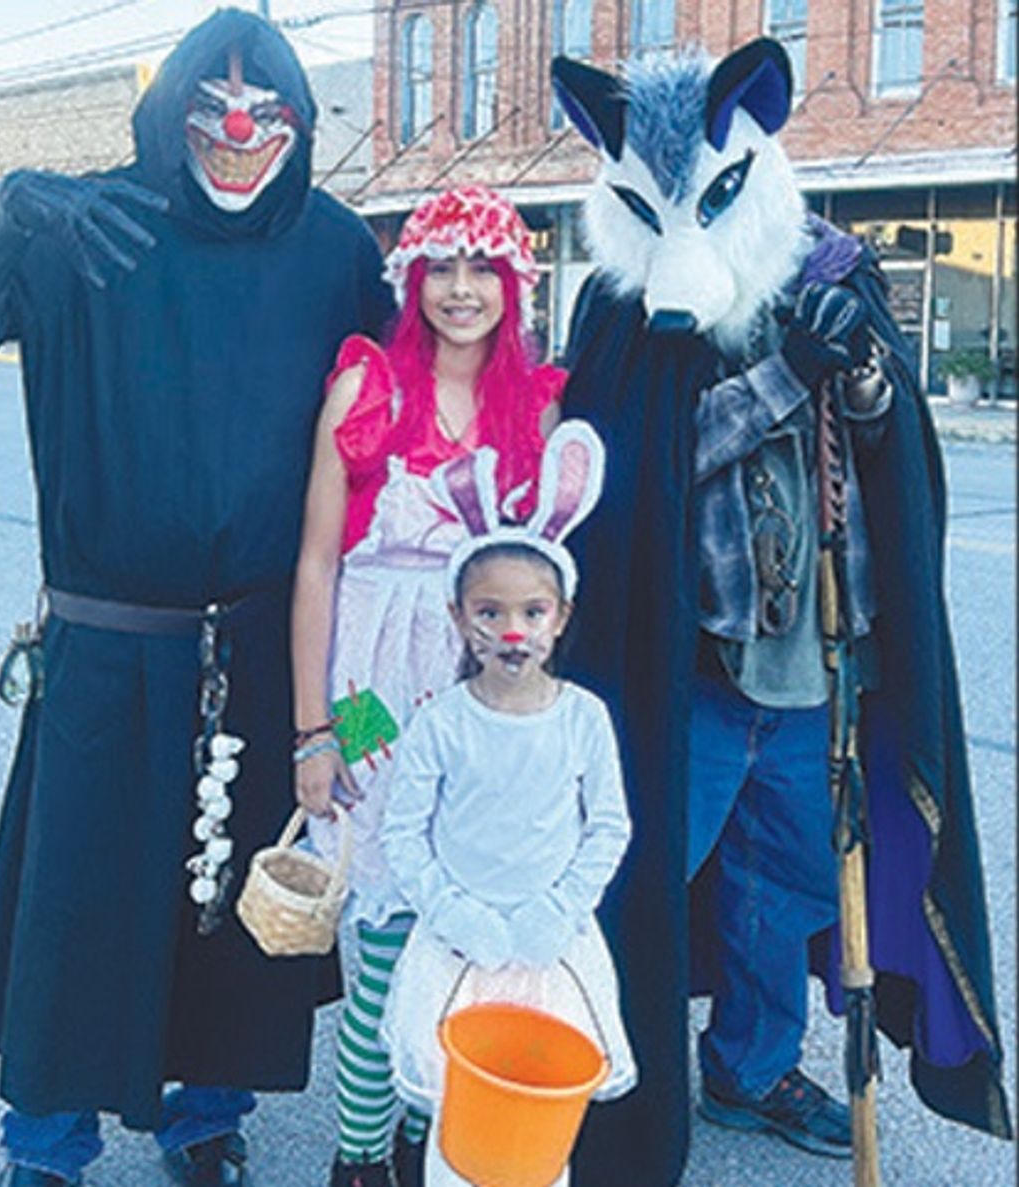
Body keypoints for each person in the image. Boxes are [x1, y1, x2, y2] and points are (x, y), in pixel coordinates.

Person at [0, 10, 394, 1187]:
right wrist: (8, 206)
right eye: (209, 102)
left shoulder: (333, 251)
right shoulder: (83, 226)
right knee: (76, 903)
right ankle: (49, 1140)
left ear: (298, 123)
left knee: (230, 906)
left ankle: (204, 1110)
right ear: (169, 112)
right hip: (106, 645)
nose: (236, 130)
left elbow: (406, 407)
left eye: (265, 107)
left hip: (266, 646)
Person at [550, 38, 1011, 1186]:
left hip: (817, 669)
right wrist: (779, 380)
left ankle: (750, 1065)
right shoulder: (626, 317)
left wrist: (858, 377)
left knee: (786, 883)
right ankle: (608, 1065)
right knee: (641, 873)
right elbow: (645, 474)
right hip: (692, 662)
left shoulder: (833, 275)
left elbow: (891, 454)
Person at [289, 183, 565, 1187]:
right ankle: (359, 1151)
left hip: (483, 697)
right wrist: (315, 732)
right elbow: (317, 562)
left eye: (480, 268)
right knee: (387, 926)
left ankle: (429, 1123)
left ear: (511, 283)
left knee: (465, 931)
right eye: (439, 267)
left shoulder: (536, 403)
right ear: (411, 279)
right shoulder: (368, 390)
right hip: (373, 691)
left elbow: (541, 578)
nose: (459, 289)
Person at [379, 421, 637, 1187]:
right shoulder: (440, 722)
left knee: (538, 1134)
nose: (512, 630)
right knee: (462, 1131)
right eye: (489, 612)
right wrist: (456, 914)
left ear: (560, 617)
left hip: (553, 946)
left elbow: (609, 825)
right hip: (460, 947)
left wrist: (556, 912)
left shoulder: (584, 718)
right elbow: (405, 832)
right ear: (460, 619)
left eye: (533, 611)